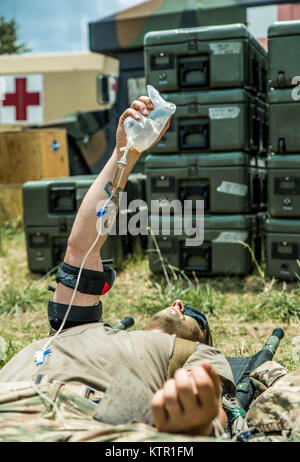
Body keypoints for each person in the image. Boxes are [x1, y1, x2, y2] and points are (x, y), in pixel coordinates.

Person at [0, 96, 236, 441]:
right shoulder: (77, 325)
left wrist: (199, 421)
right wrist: (125, 153)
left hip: (76, 423)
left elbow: (215, 408)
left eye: (197, 319)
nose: (180, 305)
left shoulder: (198, 356)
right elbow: (81, 249)